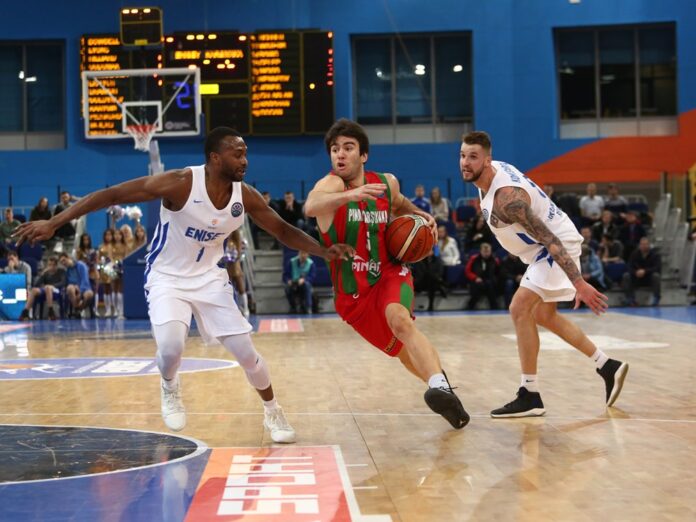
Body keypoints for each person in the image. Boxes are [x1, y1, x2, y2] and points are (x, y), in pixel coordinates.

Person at [13, 126, 353, 443]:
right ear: (215, 158)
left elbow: (282, 229)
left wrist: (323, 251)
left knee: (247, 354)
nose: (245, 160)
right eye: (237, 154)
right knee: (171, 348)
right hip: (167, 278)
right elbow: (111, 195)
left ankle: (273, 412)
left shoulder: (244, 196)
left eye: (246, 153)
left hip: (210, 279)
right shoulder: (180, 184)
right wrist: (54, 222)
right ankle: (169, 384)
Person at [304, 118, 469, 430]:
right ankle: (445, 392)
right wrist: (351, 196)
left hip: (389, 272)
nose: (340, 154)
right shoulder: (331, 186)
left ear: (363, 155)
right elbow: (311, 206)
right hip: (353, 296)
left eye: (348, 148)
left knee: (401, 321)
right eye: (335, 149)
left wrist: (422, 216)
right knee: (402, 353)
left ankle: (439, 385)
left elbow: (400, 202)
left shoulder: (385, 183)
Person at [459, 131, 628, 417]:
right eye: (463, 155)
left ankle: (530, 394)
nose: (465, 162)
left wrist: (579, 283)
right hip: (541, 249)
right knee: (544, 315)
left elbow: (550, 239)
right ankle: (607, 365)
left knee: (519, 308)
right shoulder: (487, 175)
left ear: (487, 161)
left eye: (473, 157)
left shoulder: (507, 199)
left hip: (552, 246)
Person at [19, 256, 66, 321]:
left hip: (56, 290)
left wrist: (53, 286)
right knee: (34, 290)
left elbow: (63, 283)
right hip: (45, 289)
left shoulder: (61, 271)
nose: (51, 267)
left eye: (53, 265)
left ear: (56, 265)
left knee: (48, 287)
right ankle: (25, 312)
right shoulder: (46, 273)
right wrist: (42, 274)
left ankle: (51, 312)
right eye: (49, 265)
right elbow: (36, 284)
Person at [621, 237, 661, 306]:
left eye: (646, 244)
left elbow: (657, 268)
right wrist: (635, 272)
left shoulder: (655, 255)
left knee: (656, 276)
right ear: (639, 245)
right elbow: (629, 266)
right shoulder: (634, 254)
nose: (644, 246)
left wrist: (645, 271)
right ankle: (630, 298)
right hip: (637, 278)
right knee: (626, 276)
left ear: (649, 245)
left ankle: (656, 298)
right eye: (642, 244)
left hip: (649, 278)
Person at [464, 242, 501, 310]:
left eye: (488, 251)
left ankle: (494, 307)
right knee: (478, 287)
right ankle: (470, 307)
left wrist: (494, 279)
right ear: (480, 251)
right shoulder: (474, 259)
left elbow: (498, 273)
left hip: (490, 282)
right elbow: (467, 271)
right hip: (476, 281)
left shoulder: (495, 260)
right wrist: (475, 278)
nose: (486, 253)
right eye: (484, 251)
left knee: (491, 286)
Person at [58, 252, 94, 317]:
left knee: (89, 294)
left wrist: (80, 292)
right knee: (69, 288)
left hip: (84, 288)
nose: (63, 263)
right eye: (61, 262)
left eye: (64, 260)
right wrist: (75, 286)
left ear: (68, 258)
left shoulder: (81, 265)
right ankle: (76, 308)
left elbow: (85, 280)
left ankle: (79, 309)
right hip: (74, 288)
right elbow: (68, 282)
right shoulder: (67, 270)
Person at [283, 250, 315, 314]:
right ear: (299, 254)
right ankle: (293, 307)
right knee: (287, 288)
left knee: (307, 285)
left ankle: (308, 307)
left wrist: (304, 279)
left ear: (308, 255)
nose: (303, 255)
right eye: (301, 253)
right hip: (293, 283)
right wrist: (288, 280)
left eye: (305, 254)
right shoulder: (291, 261)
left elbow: (312, 276)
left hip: (304, 283)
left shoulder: (311, 263)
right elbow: (285, 275)